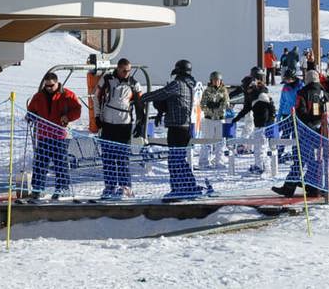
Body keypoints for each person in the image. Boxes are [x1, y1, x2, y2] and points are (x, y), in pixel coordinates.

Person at [141, 59, 203, 200]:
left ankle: (178, 189)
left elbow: (161, 94)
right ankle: (190, 186)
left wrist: (143, 98)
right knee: (179, 159)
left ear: (179, 71)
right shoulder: (189, 85)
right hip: (184, 127)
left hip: (177, 127)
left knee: (174, 160)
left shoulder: (178, 84)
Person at [93, 58, 145, 200]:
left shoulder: (134, 83)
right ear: (118, 68)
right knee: (108, 157)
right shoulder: (107, 79)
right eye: (124, 71)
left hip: (125, 125)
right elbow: (96, 97)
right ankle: (110, 186)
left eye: (128, 70)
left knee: (122, 157)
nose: (126, 73)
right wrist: (97, 116)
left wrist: (140, 123)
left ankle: (125, 187)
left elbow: (140, 104)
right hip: (108, 123)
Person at [25, 72, 83, 200]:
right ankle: (37, 189)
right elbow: (31, 110)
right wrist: (30, 116)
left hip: (60, 135)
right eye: (46, 86)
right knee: (40, 163)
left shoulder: (67, 95)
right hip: (43, 135)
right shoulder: (39, 96)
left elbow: (77, 110)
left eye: (51, 85)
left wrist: (67, 117)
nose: (49, 88)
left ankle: (63, 188)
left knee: (60, 162)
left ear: (57, 83)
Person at [271, 70, 329, 198]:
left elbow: (300, 112)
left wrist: (304, 122)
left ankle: (289, 187)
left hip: (304, 131)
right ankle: (314, 187)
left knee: (299, 160)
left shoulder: (302, 93)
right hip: (319, 131)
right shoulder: (323, 93)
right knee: (315, 160)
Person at [199, 71, 229, 169]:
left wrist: (218, 107)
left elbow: (226, 104)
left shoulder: (224, 91)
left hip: (220, 119)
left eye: (218, 80)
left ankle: (218, 161)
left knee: (220, 141)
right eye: (214, 80)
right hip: (209, 119)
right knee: (207, 141)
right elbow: (202, 105)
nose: (216, 82)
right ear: (211, 81)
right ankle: (204, 161)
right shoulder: (207, 91)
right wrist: (210, 108)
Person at [247, 91, 276, 174]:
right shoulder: (270, 106)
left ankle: (260, 166)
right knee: (262, 148)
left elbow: (262, 118)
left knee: (260, 148)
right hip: (263, 128)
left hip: (261, 128)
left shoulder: (261, 105)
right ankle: (264, 166)